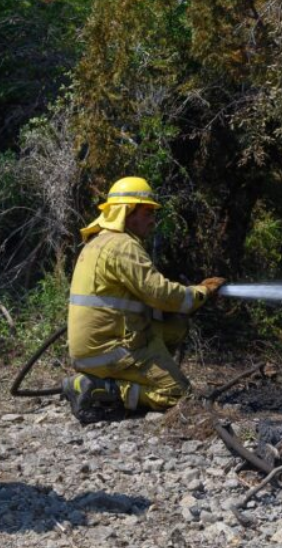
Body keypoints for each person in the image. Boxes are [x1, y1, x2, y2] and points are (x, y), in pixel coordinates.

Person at [63, 176, 226, 423]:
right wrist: (201, 292)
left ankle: (129, 380)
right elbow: (160, 294)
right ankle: (101, 388)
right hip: (110, 352)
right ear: (127, 212)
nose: (152, 220)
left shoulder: (97, 242)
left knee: (176, 326)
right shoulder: (122, 246)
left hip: (93, 350)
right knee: (179, 395)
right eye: (147, 212)